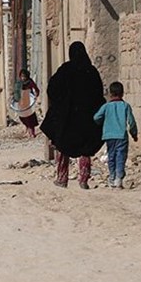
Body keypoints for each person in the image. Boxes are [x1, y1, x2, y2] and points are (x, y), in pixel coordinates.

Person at [39, 41, 105, 189]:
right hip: (87, 118)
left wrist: (61, 102)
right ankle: (84, 179)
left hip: (67, 117)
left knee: (63, 146)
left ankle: (62, 179)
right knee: (86, 148)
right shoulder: (91, 71)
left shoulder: (65, 70)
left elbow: (52, 88)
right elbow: (98, 93)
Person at [93, 81, 138, 189]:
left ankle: (112, 177)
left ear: (110, 94)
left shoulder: (106, 107)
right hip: (121, 136)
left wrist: (102, 123)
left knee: (111, 156)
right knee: (121, 156)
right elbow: (131, 122)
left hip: (109, 136)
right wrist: (134, 134)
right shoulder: (125, 106)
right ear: (122, 93)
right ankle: (119, 178)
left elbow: (96, 117)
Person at [11, 68, 40, 138]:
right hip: (21, 102)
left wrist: (36, 95)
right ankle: (27, 129)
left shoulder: (30, 82)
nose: (23, 78)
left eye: (24, 76)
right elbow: (16, 92)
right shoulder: (19, 83)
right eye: (22, 76)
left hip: (29, 101)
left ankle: (32, 132)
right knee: (23, 117)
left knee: (30, 117)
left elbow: (36, 89)